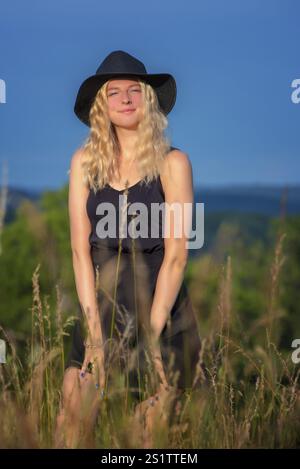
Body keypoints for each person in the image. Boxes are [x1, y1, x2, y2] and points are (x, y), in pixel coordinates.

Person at [54, 50, 206, 448]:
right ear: (101, 105)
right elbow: (78, 251)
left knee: (149, 432)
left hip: (162, 310)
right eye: (115, 92)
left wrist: (153, 334)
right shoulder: (85, 162)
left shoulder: (174, 164)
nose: (125, 99)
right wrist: (94, 333)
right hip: (100, 310)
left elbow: (177, 255)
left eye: (135, 91)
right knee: (73, 412)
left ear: (148, 100)